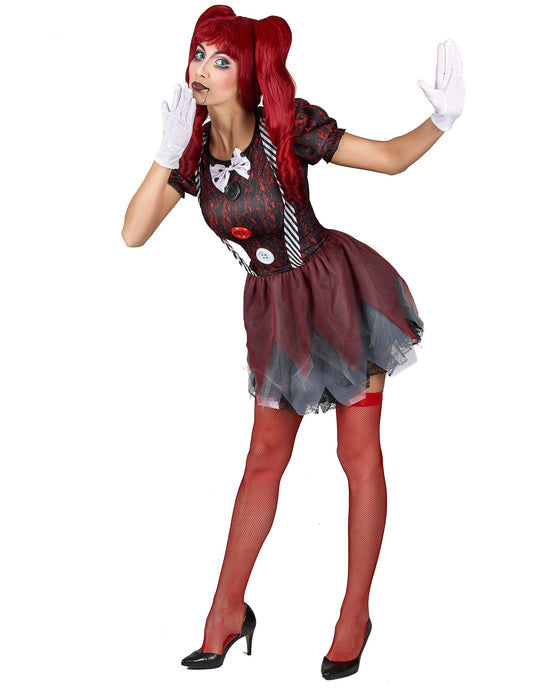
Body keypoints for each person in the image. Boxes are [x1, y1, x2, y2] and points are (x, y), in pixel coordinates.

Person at [121, 5, 464, 680]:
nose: (202, 70)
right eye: (199, 53)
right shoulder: (190, 152)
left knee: (356, 455)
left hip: (340, 299)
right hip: (275, 316)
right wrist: (162, 157)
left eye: (222, 59)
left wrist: (442, 120)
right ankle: (225, 612)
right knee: (261, 462)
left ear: (249, 74)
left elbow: (389, 160)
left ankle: (353, 615)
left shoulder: (286, 126)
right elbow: (133, 233)